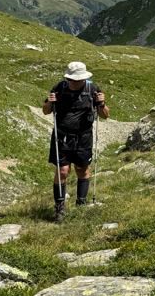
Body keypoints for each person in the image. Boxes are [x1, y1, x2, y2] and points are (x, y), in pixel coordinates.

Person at [43, 61, 109, 221]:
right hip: (62, 136)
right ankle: (59, 209)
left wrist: (102, 103)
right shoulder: (59, 88)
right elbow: (45, 111)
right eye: (74, 79)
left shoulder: (92, 90)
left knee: (82, 169)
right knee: (62, 171)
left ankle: (81, 203)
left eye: (80, 79)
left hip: (84, 137)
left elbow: (105, 115)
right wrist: (50, 102)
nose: (77, 82)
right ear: (68, 78)